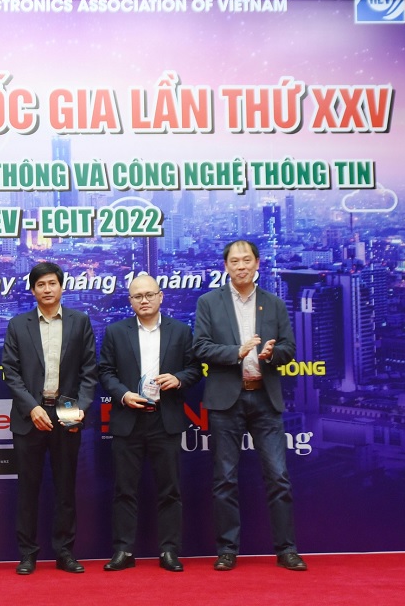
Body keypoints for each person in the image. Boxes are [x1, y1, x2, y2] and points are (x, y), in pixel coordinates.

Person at [193, 239, 307, 571]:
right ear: (226, 266)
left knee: (278, 477)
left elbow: (289, 348)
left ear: (257, 263)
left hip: (265, 397)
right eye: (235, 261)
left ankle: (286, 549)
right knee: (225, 479)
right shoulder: (208, 302)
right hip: (226, 400)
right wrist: (237, 352)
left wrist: (273, 354)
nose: (241, 266)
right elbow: (200, 347)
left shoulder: (274, 303)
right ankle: (227, 550)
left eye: (247, 260)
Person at [98, 274, 202, 573]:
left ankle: (169, 551)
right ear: (130, 301)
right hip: (128, 418)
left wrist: (178, 379)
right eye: (137, 296)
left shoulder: (180, 331)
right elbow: (105, 371)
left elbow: (195, 369)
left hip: (165, 418)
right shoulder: (116, 331)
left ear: (160, 297)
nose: (144, 300)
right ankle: (123, 550)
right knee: (124, 490)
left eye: (149, 295)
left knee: (170, 490)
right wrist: (123, 394)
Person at [2, 261, 98, 575]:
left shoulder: (79, 321)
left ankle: (64, 552)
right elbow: (11, 372)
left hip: (67, 410)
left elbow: (89, 370)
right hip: (30, 413)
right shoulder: (18, 325)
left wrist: (82, 407)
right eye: (40, 284)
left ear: (61, 287)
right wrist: (32, 407)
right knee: (27, 489)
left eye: (52, 283)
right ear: (33, 290)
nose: (47, 289)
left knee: (65, 488)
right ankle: (27, 554)